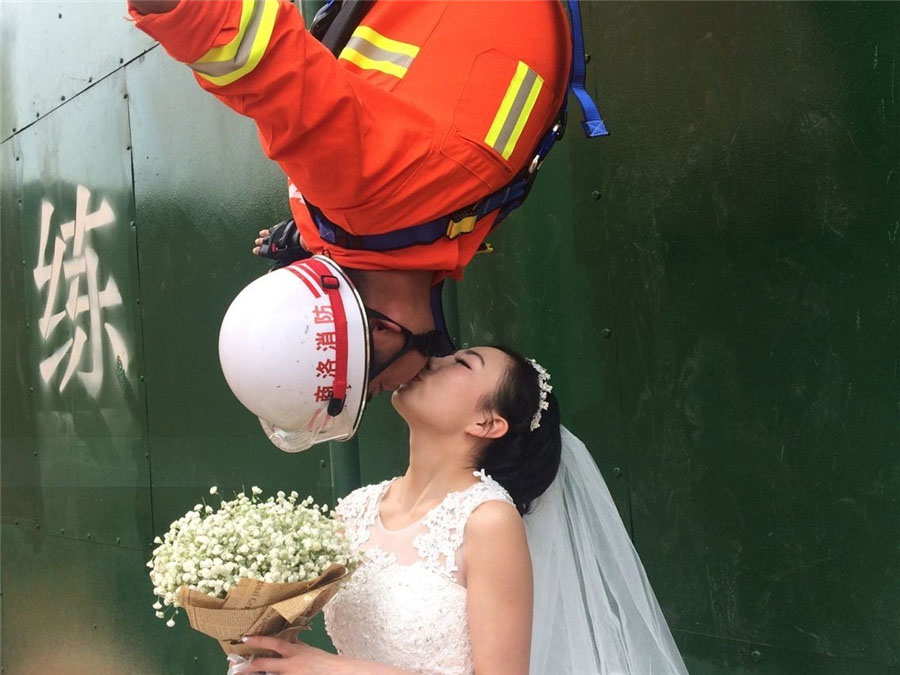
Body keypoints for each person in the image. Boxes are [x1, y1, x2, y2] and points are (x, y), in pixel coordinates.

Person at [126, 0, 606, 451]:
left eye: (375, 386)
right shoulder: (389, 229)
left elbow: (262, 63)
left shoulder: (371, 197)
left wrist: (177, 11)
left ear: (378, 331)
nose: (398, 389)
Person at [226, 346, 688, 675]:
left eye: (463, 362)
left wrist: (332, 670)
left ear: (487, 423)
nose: (432, 359)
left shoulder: (486, 520)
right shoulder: (355, 510)